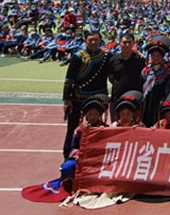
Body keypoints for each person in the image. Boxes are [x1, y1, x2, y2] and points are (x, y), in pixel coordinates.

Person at [62, 28, 111, 158]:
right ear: (85, 41)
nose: (93, 42)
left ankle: (96, 154)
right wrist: (67, 99)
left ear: (100, 41)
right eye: (90, 40)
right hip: (78, 97)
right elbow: (69, 79)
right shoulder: (78, 57)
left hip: (99, 98)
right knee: (73, 127)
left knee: (99, 127)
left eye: (96, 40)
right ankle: (68, 154)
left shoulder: (106, 56)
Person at [108, 32, 144, 121]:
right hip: (117, 97)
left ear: (133, 43)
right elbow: (111, 78)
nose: (127, 45)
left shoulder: (140, 60)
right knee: (115, 123)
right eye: (124, 42)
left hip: (135, 98)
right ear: (119, 43)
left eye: (129, 42)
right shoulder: (113, 60)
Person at [141, 35, 170, 128]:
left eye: (158, 56)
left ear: (162, 57)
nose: (156, 58)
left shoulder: (166, 71)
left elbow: (168, 88)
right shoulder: (146, 71)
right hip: (147, 100)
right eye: (153, 55)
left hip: (159, 100)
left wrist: (164, 100)